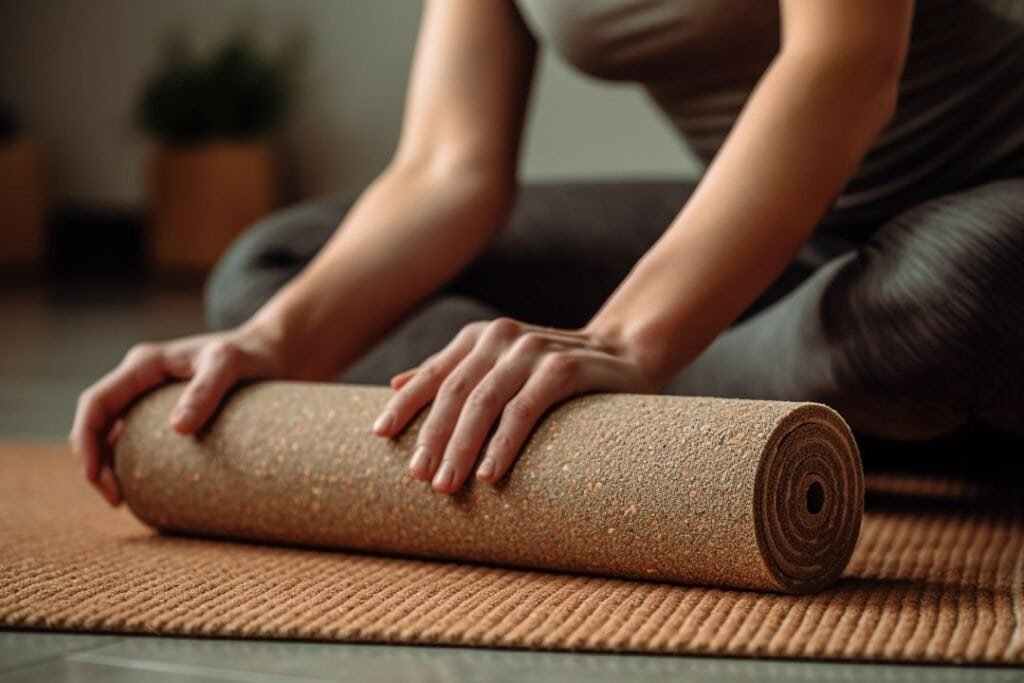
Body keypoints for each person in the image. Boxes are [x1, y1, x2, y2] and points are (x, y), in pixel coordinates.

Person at [71, 0, 1024, 507]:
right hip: (792, 251)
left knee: (970, 284)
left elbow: (846, 66)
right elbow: (451, 166)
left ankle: (630, 405)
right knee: (273, 272)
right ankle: (735, 412)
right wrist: (276, 339)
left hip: (981, 204)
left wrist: (623, 340)